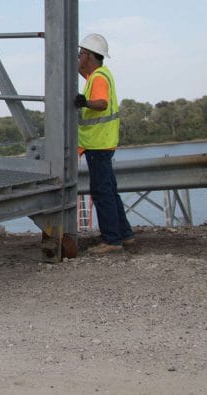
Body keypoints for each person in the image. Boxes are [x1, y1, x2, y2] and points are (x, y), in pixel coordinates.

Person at [75, 33, 133, 254]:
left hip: (98, 144)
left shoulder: (98, 78)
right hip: (103, 143)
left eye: (81, 55)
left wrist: (85, 102)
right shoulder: (99, 75)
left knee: (101, 192)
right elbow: (83, 72)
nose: (79, 58)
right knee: (110, 191)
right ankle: (124, 234)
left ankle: (112, 240)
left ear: (88, 55)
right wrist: (76, 62)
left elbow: (101, 103)